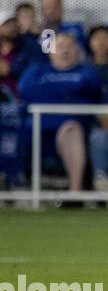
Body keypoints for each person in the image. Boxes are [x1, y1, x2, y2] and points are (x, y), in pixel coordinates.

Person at [17, 31, 101, 195]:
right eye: (60, 46)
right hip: (35, 131)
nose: (65, 51)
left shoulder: (87, 72)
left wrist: (49, 91)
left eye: (70, 46)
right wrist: (68, 91)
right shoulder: (37, 70)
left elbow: (90, 87)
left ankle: (75, 192)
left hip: (72, 129)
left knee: (70, 130)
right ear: (50, 51)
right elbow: (25, 90)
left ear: (78, 51)